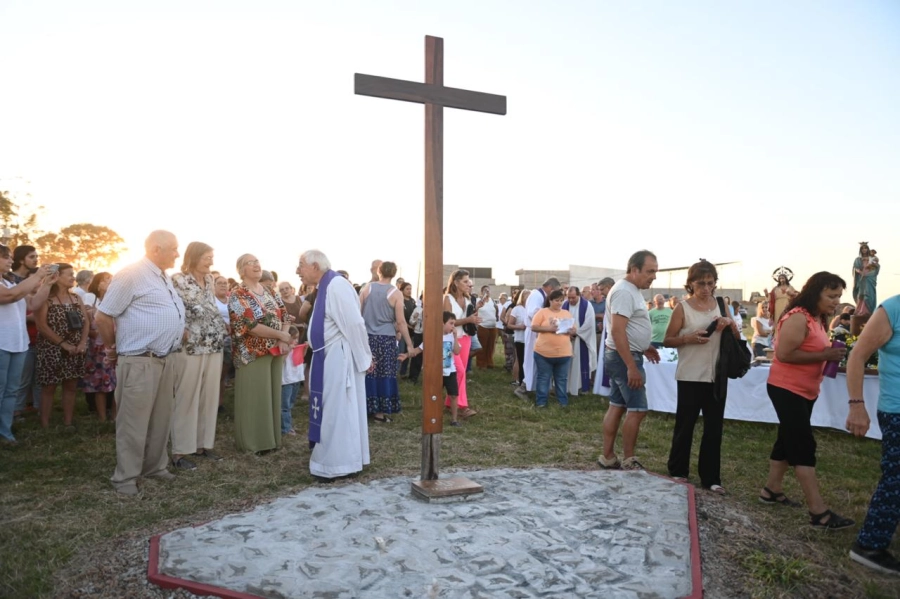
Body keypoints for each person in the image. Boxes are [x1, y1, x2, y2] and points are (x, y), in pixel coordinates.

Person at [757, 272, 854, 529]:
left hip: (805, 390)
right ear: (815, 293)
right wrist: (825, 355)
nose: (836, 301)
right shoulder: (798, 316)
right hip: (787, 389)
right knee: (803, 445)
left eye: (838, 296)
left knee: (786, 440)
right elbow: (784, 354)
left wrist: (829, 355)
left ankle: (771, 490)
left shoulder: (817, 318)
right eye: (831, 296)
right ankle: (819, 512)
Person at [96, 230, 186, 496]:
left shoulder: (162, 277)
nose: (177, 253)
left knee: (161, 419)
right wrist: (112, 348)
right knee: (133, 423)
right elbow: (103, 316)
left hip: (165, 359)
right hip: (139, 360)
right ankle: (125, 478)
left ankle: (155, 467)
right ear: (156, 249)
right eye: (173, 248)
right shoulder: (131, 274)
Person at [662, 260, 741, 494]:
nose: (706, 288)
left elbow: (737, 337)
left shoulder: (721, 304)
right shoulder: (682, 308)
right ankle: (678, 470)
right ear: (691, 284)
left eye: (710, 283)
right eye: (701, 284)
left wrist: (729, 324)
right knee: (685, 425)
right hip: (690, 374)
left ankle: (711, 477)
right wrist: (687, 338)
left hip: (717, 374)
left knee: (714, 428)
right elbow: (667, 340)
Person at [297, 249, 372, 480]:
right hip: (326, 356)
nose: (297, 271)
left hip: (338, 358)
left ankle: (337, 464)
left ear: (315, 266)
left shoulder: (337, 285)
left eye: (301, 265)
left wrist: (364, 358)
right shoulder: (324, 286)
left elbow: (354, 324)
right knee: (331, 408)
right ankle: (336, 459)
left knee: (337, 409)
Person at [845, 294, 900, 575]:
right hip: (897, 409)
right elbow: (857, 355)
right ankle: (869, 545)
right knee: (896, 479)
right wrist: (857, 406)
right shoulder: (893, 309)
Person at [599, 250, 660, 471]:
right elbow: (617, 331)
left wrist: (644, 346)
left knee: (617, 406)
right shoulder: (624, 291)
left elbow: (629, 327)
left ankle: (608, 456)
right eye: (650, 271)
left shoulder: (630, 290)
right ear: (634, 269)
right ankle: (629, 459)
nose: (654, 276)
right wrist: (631, 367)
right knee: (637, 409)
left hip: (623, 355)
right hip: (624, 358)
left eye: (655, 271)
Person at [170, 242, 227, 469]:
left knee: (209, 397)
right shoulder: (178, 279)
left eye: (212, 257)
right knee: (187, 397)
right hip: (190, 345)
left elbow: (210, 306)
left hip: (214, 343)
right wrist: (181, 328)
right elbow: (176, 307)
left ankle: (203, 445)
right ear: (194, 257)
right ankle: (180, 451)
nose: (211, 261)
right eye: (207, 257)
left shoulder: (211, 279)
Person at [228, 254, 292, 454]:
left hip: (275, 350)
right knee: (255, 397)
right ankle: (254, 443)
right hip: (252, 352)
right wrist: (281, 335)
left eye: (257, 261)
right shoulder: (238, 294)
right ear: (241, 270)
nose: (256, 265)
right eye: (251, 263)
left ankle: (271, 440)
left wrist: (283, 339)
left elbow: (285, 316)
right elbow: (251, 326)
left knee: (271, 396)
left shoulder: (269, 290)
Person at [1, 245, 53, 445]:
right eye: (5, 257)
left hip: (18, 343)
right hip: (2, 344)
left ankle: (5, 433)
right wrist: (38, 275)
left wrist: (47, 283)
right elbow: (9, 296)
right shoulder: (9, 287)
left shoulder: (9, 282)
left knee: (11, 391)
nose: (10, 261)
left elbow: (32, 304)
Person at [35, 264, 90, 429]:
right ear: (56, 277)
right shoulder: (46, 299)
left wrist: (82, 342)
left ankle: (68, 422)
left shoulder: (76, 298)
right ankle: (45, 424)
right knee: (49, 387)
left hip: (75, 349)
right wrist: (63, 344)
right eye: (69, 274)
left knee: (71, 386)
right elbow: (41, 326)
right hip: (51, 348)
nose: (73, 277)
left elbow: (86, 322)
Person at [359, 261, 412, 423]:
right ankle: (380, 413)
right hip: (386, 339)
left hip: (367, 337)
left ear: (379, 271)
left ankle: (364, 408)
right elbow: (401, 321)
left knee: (368, 372)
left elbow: (358, 314)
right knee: (385, 374)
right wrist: (409, 344)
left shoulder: (366, 288)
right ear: (394, 274)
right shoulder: (396, 293)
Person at [403, 311, 461, 425]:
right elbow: (418, 350)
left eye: (454, 324)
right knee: (435, 395)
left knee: (454, 395)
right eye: (451, 323)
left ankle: (454, 419)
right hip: (436, 372)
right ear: (442, 323)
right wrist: (406, 355)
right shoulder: (432, 337)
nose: (453, 326)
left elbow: (457, 351)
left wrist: (455, 337)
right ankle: (433, 416)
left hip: (450, 371)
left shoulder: (452, 337)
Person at [443, 269, 481, 418]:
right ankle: (461, 406)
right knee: (459, 371)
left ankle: (450, 402)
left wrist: (474, 320)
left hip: (465, 338)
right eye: (465, 281)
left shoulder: (467, 299)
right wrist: (468, 320)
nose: (468, 284)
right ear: (456, 282)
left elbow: (468, 319)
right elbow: (447, 322)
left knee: (459, 373)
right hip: (451, 339)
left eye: (468, 281)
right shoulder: (447, 299)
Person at [79, 272, 116, 421]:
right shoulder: (90, 298)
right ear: (98, 283)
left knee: (117, 382)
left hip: (114, 345)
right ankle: (101, 417)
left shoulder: (115, 300)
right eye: (106, 280)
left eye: (111, 280)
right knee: (100, 381)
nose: (110, 282)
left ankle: (115, 415)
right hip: (97, 348)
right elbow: (87, 320)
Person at [531, 289, 576, 407]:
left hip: (564, 353)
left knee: (561, 379)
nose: (559, 303)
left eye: (561, 300)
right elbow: (534, 327)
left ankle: (563, 402)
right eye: (557, 300)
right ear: (550, 300)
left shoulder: (566, 313)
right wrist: (549, 329)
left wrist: (572, 330)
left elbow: (573, 329)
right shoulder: (542, 312)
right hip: (544, 353)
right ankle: (541, 402)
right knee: (544, 378)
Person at [523, 278, 562, 392]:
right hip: (534, 331)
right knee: (532, 361)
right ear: (550, 288)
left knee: (540, 361)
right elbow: (533, 313)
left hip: (541, 331)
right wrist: (550, 320)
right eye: (555, 291)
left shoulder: (541, 296)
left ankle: (538, 388)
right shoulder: (536, 295)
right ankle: (526, 388)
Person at [564, 286, 597, 395]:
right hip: (567, 339)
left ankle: (581, 387)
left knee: (580, 363)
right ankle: (567, 388)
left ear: (579, 295)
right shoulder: (564, 305)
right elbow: (561, 320)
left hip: (581, 339)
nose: (570, 300)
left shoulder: (587, 305)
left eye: (573, 297)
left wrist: (576, 332)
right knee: (568, 364)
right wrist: (567, 333)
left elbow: (589, 324)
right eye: (568, 297)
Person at [280, 326, 304, 436]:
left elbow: (301, 358)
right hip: (287, 381)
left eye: (297, 338)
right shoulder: (284, 349)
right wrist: (289, 349)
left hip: (296, 379)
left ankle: (287, 424)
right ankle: (285, 428)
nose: (296, 341)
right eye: (294, 338)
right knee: (285, 406)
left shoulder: (296, 348)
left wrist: (304, 349)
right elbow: (281, 361)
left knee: (290, 404)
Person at [508, 290, 530, 395]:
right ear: (523, 297)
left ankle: (529, 383)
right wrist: (520, 327)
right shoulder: (517, 309)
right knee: (521, 361)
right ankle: (521, 383)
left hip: (531, 340)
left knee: (530, 362)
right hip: (520, 339)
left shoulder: (533, 308)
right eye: (527, 296)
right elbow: (509, 324)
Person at [474, 285, 499, 369]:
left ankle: (489, 361)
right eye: (485, 290)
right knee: (482, 345)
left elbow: (496, 311)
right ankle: (481, 363)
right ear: (481, 292)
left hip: (493, 326)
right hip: (482, 325)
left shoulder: (492, 301)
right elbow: (475, 310)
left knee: (491, 345)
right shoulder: (478, 301)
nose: (487, 292)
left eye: (488, 290)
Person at [853, 243, 880, 317]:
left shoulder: (873, 258)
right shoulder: (858, 259)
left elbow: (876, 267)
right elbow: (856, 268)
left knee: (868, 293)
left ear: (868, 249)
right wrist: (860, 272)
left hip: (869, 279)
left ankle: (866, 311)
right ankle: (859, 310)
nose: (864, 250)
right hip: (861, 279)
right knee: (861, 294)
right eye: (862, 248)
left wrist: (868, 273)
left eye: (865, 248)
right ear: (860, 250)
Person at [398, 282, 417, 377]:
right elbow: (401, 318)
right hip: (402, 330)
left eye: (410, 289)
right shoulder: (400, 301)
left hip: (412, 330)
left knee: (409, 350)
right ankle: (397, 369)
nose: (409, 291)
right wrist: (408, 326)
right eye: (407, 289)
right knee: (401, 350)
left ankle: (403, 372)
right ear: (402, 290)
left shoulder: (412, 301)